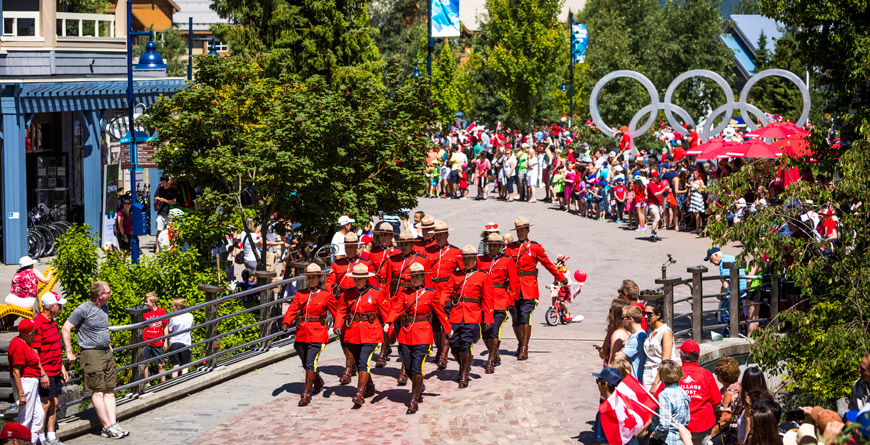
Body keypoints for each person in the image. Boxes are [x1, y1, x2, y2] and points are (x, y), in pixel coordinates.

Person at [382, 263, 453, 414]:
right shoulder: (404, 293)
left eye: (418, 276)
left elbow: (440, 311)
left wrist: (448, 328)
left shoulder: (430, 293)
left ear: (423, 277)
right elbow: (397, 308)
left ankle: (413, 401)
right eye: (412, 276)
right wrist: (388, 322)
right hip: (406, 333)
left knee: (416, 367)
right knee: (407, 366)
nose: (415, 279)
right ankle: (419, 386)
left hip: (423, 334)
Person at [61, 281, 129, 438]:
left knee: (110, 389)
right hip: (91, 353)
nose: (111, 295)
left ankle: (113, 423)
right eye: (109, 292)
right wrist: (69, 352)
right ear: (101, 295)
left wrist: (108, 343)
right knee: (98, 391)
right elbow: (66, 328)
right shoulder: (83, 309)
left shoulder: (105, 307)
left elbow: (102, 328)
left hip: (106, 352)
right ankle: (106, 427)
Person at [503, 217, 567, 360]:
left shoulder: (535, 247)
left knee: (526, 317)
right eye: (518, 231)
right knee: (516, 318)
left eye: (522, 230)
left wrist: (561, 277)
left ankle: (525, 348)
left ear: (528, 230)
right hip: (514, 288)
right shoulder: (509, 248)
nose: (520, 233)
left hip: (529, 287)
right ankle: (521, 343)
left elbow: (548, 264)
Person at [334, 264, 390, 406]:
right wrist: (337, 326)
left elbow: (386, 312)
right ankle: (369, 386)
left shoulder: (376, 292)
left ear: (366, 279)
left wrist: (389, 327)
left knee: (363, 361)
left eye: (360, 279)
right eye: (355, 279)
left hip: (371, 333)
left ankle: (359, 393)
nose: (357, 281)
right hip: (353, 333)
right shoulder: (348, 293)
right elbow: (341, 311)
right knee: (359, 363)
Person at [281, 263, 337, 406]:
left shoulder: (326, 295)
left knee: (311, 361)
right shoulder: (301, 293)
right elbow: (292, 309)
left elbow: (337, 312)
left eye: (314, 277)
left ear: (319, 278)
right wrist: (286, 322)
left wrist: (338, 326)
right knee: (305, 361)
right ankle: (317, 380)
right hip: (302, 333)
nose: (311, 280)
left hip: (318, 333)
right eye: (309, 278)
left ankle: (306, 393)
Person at [444, 245, 494, 388]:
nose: (467, 261)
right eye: (465, 259)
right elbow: (446, 293)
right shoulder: (455, 275)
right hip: (456, 314)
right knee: (454, 344)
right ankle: (463, 366)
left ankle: (464, 374)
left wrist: (488, 318)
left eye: (470, 258)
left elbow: (488, 298)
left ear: (475, 259)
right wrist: (439, 306)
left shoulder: (483, 276)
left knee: (466, 344)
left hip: (472, 314)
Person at [476, 233, 518, 374]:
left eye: (495, 245)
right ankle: (495, 355)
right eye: (490, 246)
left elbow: (514, 283)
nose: (492, 248)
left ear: (500, 247)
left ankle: (490, 361)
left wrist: (510, 301)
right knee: (484, 332)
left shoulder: (507, 260)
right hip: (483, 302)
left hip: (500, 300)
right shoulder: (481, 260)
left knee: (494, 330)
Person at [424, 220, 462, 370]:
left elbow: (462, 273)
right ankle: (439, 349)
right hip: (432, 290)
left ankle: (444, 355)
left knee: (446, 323)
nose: (438, 237)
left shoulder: (455, 252)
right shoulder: (428, 251)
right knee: (434, 325)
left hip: (447, 291)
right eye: (436, 235)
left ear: (447, 235)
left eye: (441, 235)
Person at [32, 292, 68, 445]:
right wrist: (42, 373)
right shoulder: (38, 324)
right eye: (58, 305)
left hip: (55, 369)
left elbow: (56, 347)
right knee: (44, 404)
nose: (60, 308)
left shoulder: (52, 322)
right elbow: (35, 351)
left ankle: (51, 435)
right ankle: (41, 437)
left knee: (54, 402)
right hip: (45, 371)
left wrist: (62, 366)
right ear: (50, 307)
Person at [673, 340, 722, 445]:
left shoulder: (674, 374)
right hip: (703, 424)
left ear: (682, 356)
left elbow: (659, 398)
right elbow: (717, 402)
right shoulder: (706, 374)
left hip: (680, 426)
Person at [8, 319, 48, 444]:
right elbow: (16, 371)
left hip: (32, 382)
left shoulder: (25, 343)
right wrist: (21, 393)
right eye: (34, 332)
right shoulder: (19, 345)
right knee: (25, 418)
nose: (36, 334)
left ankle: (31, 441)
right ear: (28, 333)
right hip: (26, 383)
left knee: (38, 416)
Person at [705, 247, 747, 338]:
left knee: (725, 316)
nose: (711, 262)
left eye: (710, 259)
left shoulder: (723, 263)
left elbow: (725, 285)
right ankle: (736, 334)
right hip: (742, 292)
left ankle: (727, 337)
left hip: (732, 294)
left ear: (716, 255)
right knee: (736, 315)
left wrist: (720, 295)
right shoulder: (731, 258)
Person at [592, 367, 638, 445]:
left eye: (598, 381)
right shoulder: (626, 404)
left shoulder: (604, 411)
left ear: (605, 384)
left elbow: (600, 442)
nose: (598, 384)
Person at [650, 360, 691, 445]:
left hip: (667, 440)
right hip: (680, 439)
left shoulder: (664, 395)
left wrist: (655, 435)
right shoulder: (683, 392)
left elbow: (664, 425)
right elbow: (687, 419)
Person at [643, 299, 677, 390]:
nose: (646, 316)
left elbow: (665, 360)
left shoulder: (665, 332)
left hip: (659, 374)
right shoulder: (649, 329)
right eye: (644, 313)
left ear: (658, 315)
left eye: (649, 314)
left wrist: (655, 383)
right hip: (647, 372)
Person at [613, 305, 647, 384]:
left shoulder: (637, 338)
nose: (621, 321)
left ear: (630, 319)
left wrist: (622, 351)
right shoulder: (636, 335)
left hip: (634, 381)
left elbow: (618, 357)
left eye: (622, 318)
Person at [711, 357, 741, 444]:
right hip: (739, 429)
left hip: (730, 432)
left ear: (720, 376)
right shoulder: (739, 386)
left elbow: (725, 419)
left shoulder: (729, 392)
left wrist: (711, 435)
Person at [165, 298, 194, 378]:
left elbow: (170, 329)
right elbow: (191, 327)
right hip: (186, 343)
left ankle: (174, 381)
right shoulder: (189, 315)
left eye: (173, 306)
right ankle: (184, 381)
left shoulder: (173, 318)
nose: (172, 308)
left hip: (174, 343)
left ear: (178, 308)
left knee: (175, 365)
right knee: (185, 365)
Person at [142, 292, 167, 384]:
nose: (145, 303)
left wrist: (165, 341)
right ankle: (147, 383)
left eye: (146, 301)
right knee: (145, 363)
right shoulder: (144, 312)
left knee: (161, 364)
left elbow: (165, 326)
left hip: (157, 341)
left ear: (153, 302)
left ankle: (163, 383)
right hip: (147, 340)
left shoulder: (161, 311)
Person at [153, 175, 177, 253]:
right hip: (161, 212)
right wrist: (156, 200)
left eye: (164, 181)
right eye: (161, 181)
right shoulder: (159, 188)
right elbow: (155, 198)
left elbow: (174, 201)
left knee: (170, 230)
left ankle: (170, 246)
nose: (162, 183)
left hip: (170, 212)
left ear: (167, 181)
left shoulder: (172, 189)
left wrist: (164, 200)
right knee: (159, 230)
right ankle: (157, 248)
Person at [647, 171, 670, 241]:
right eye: (657, 177)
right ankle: (652, 234)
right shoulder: (650, 185)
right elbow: (656, 194)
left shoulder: (658, 184)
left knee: (657, 219)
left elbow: (662, 188)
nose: (659, 178)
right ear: (653, 177)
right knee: (657, 218)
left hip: (658, 204)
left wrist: (668, 189)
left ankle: (655, 234)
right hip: (652, 204)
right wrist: (664, 190)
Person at [688, 169, 706, 234]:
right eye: (694, 173)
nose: (695, 175)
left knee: (697, 213)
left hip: (698, 197)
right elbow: (690, 189)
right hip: (693, 197)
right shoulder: (693, 180)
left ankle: (698, 228)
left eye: (696, 173)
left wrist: (696, 187)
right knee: (695, 213)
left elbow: (703, 190)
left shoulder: (700, 181)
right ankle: (698, 227)